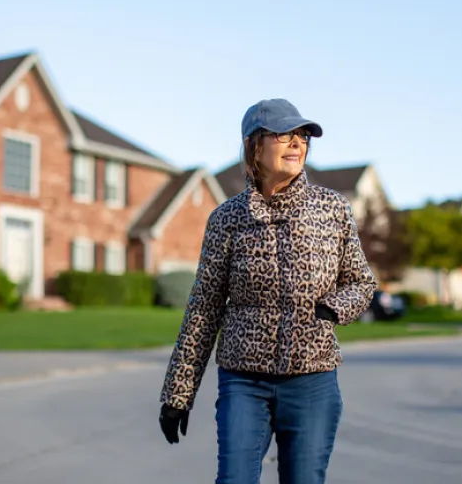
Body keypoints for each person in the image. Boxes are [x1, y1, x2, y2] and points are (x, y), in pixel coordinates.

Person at [158, 98, 377, 484]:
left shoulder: (332, 209)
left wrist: (334, 307)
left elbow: (361, 281)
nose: (297, 143)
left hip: (312, 379)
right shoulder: (226, 218)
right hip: (244, 381)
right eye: (284, 134)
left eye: (303, 135)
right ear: (254, 145)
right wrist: (178, 394)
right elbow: (204, 308)